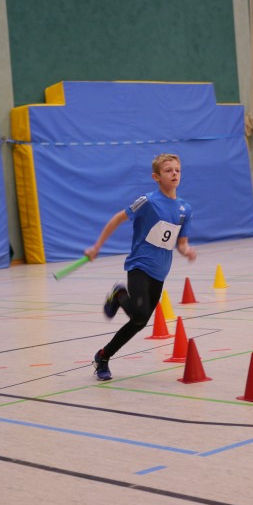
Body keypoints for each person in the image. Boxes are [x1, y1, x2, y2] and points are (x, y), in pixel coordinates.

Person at [84, 153, 197, 381]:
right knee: (140, 313)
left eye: (177, 170)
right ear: (156, 177)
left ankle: (102, 356)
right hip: (139, 266)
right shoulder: (148, 201)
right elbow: (117, 218)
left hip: (160, 272)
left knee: (139, 322)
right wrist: (96, 247)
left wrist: (186, 251)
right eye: (168, 170)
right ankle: (119, 294)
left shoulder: (185, 209)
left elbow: (181, 243)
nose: (174, 173)